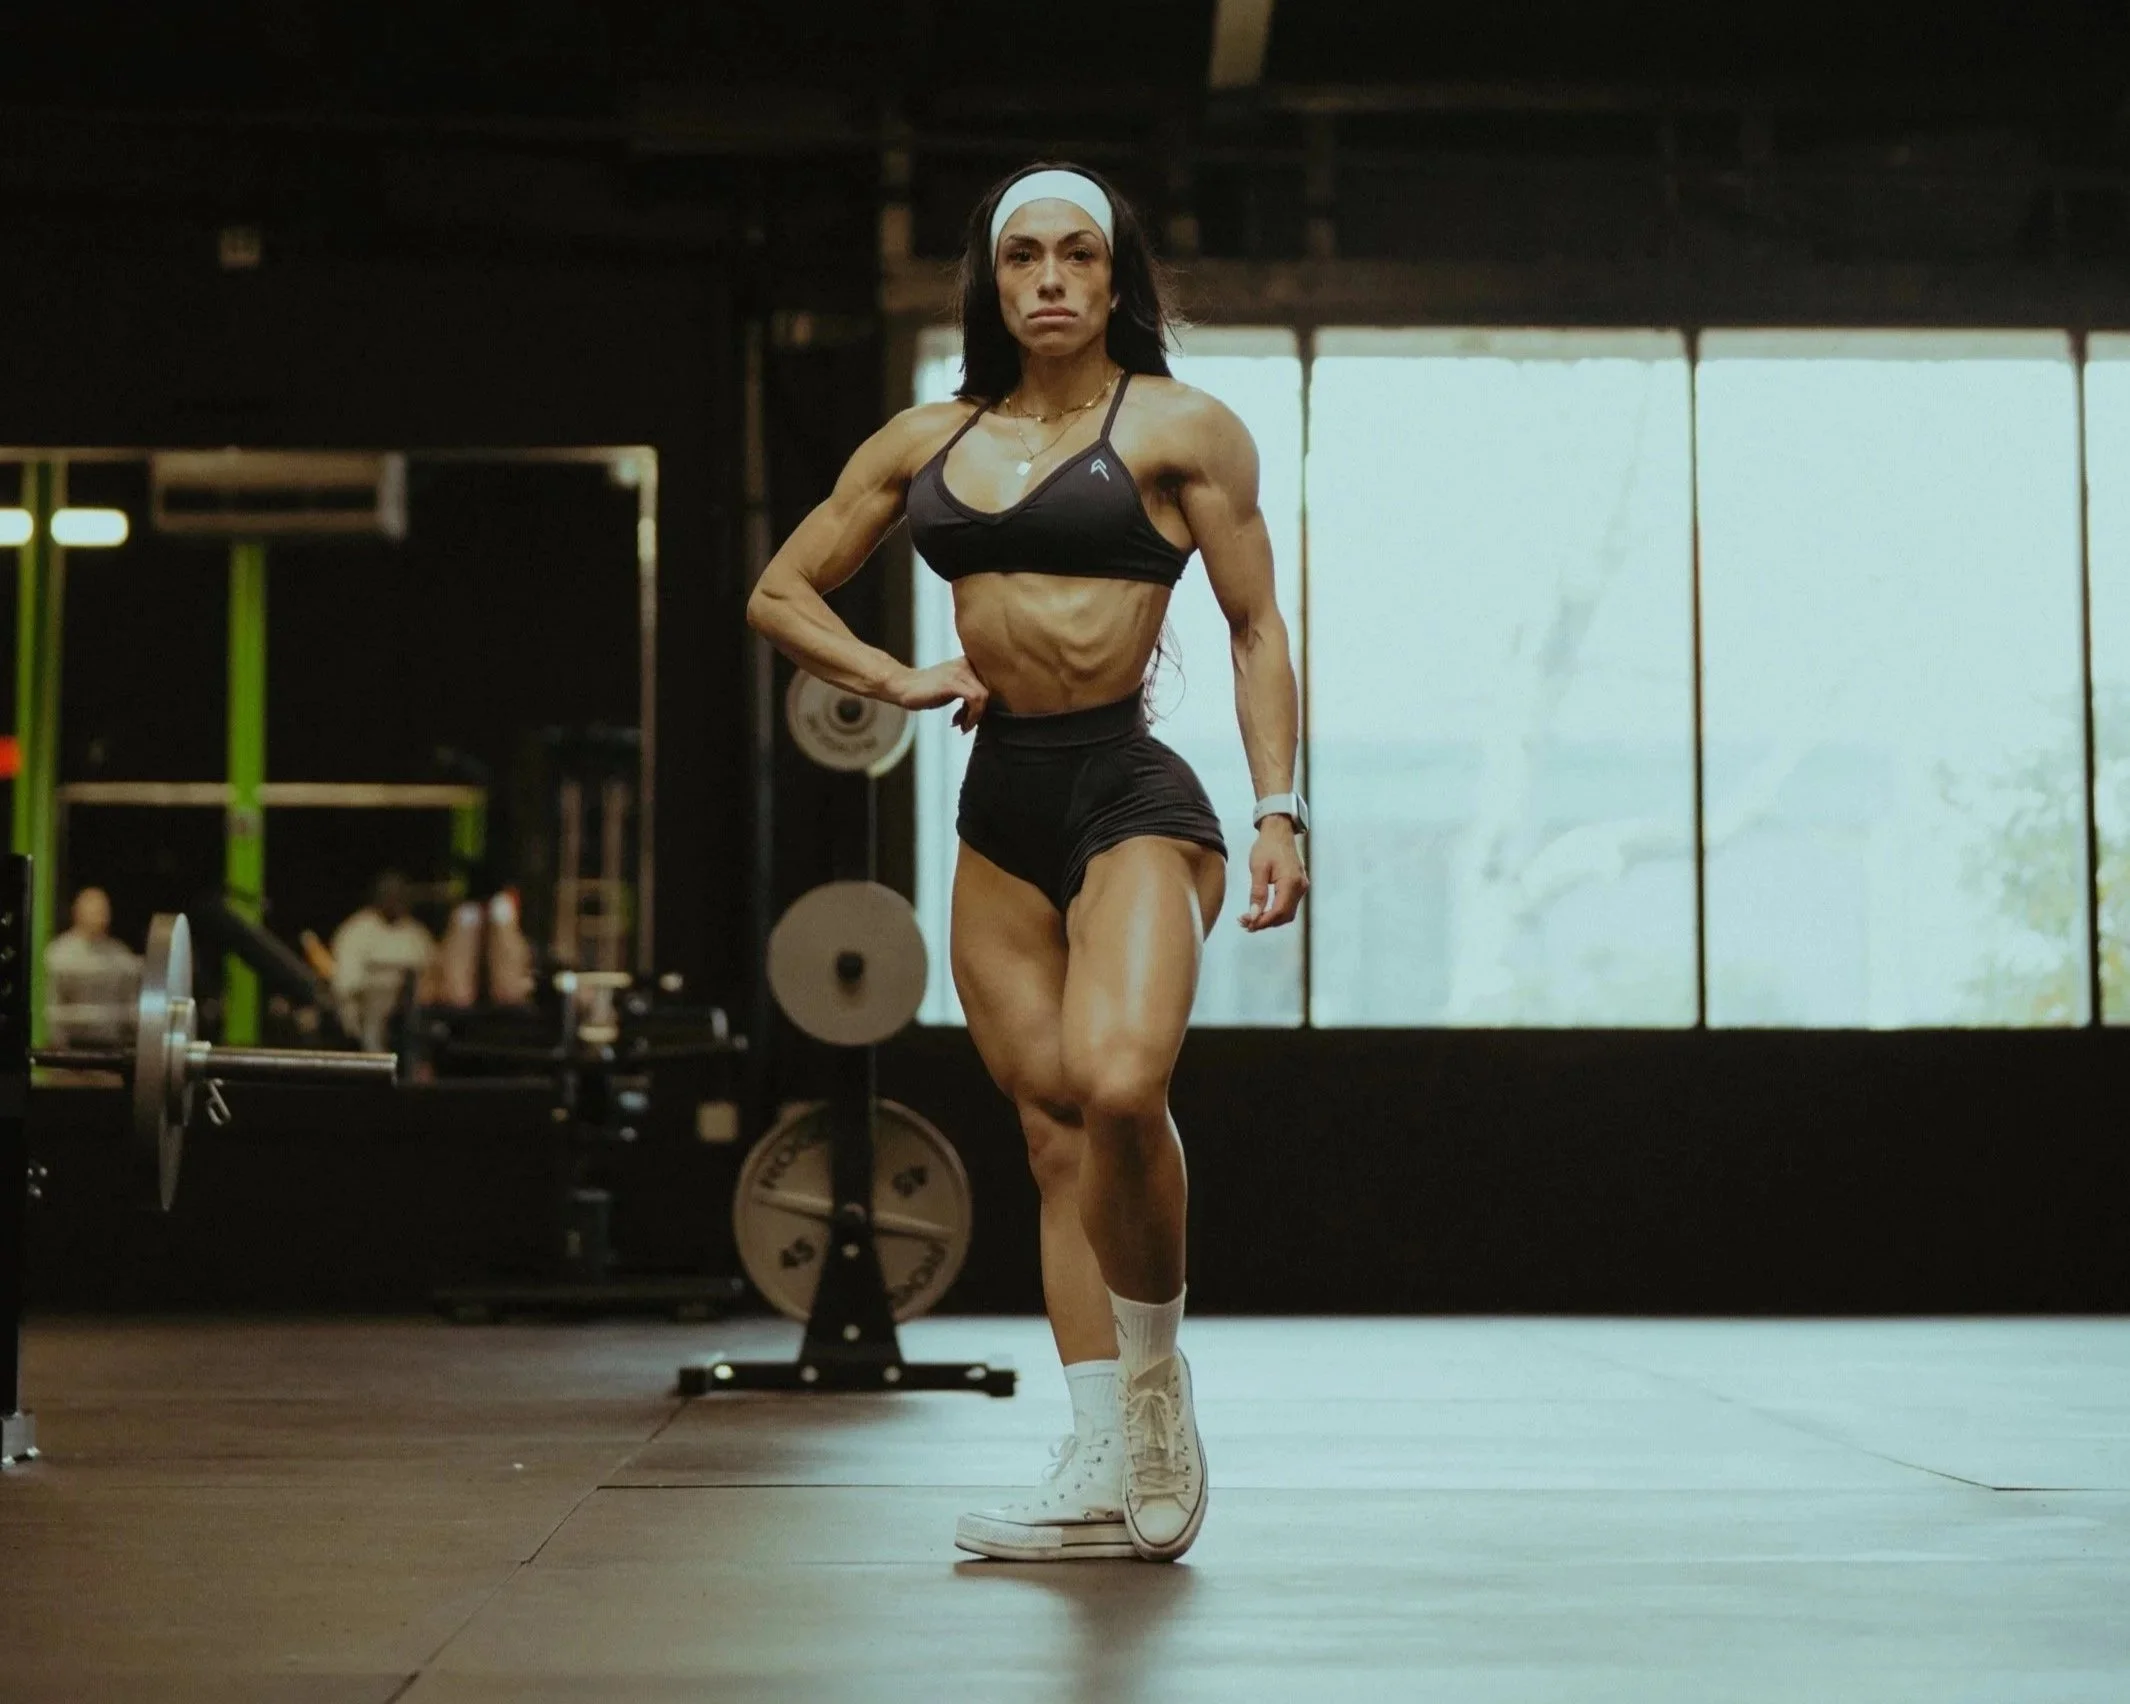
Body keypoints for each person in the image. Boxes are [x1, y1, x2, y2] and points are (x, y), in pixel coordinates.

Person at [746, 163, 1309, 1564]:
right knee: (1052, 1137)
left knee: (1120, 1087)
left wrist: (1281, 810)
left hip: (1130, 787)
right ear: (992, 284)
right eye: (1022, 259)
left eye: (1077, 255)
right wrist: (896, 673)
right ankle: (1096, 1450)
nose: (1049, 279)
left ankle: (1159, 1392)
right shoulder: (926, 437)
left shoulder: (1180, 429)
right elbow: (776, 591)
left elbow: (1252, 630)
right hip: (999, 808)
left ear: (1116, 280)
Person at [328, 872, 438, 1050]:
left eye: (400, 895)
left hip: (413, 1009)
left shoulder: (416, 934)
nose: (395, 900)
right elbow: (346, 984)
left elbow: (432, 971)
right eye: (390, 895)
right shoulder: (357, 930)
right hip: (370, 1008)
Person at [44, 886, 140, 1047]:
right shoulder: (58, 953)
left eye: (103, 911)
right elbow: (52, 1004)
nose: (99, 917)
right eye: (93, 911)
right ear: (77, 913)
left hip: (111, 1050)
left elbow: (132, 1007)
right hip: (69, 1051)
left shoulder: (120, 955)